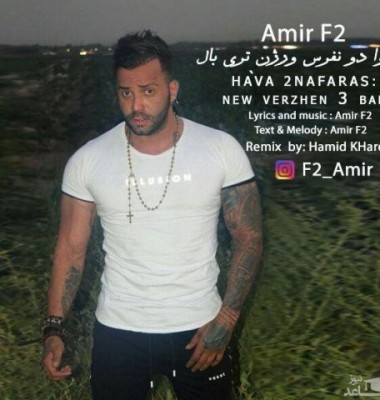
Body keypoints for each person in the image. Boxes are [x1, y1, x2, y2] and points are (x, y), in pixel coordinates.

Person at [42, 30, 263, 400]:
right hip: (119, 333)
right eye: (126, 93)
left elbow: (248, 237)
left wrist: (226, 321)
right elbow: (70, 249)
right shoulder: (88, 161)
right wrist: (53, 328)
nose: (136, 106)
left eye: (148, 91)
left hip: (200, 328)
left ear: (172, 90)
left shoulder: (220, 149)